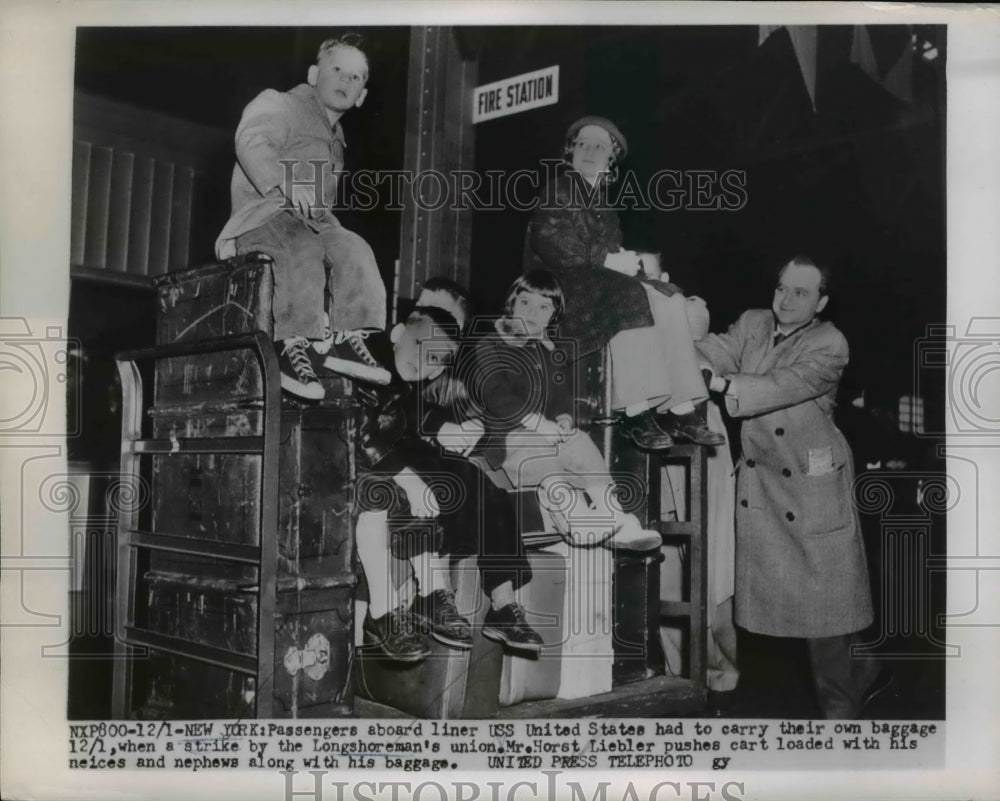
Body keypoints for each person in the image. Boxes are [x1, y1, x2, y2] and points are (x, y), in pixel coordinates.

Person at [695, 256, 891, 718]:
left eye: (801, 293)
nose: (786, 299)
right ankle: (865, 670)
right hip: (764, 484)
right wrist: (693, 360)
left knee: (826, 607)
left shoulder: (830, 342)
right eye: (782, 288)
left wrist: (720, 382)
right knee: (804, 603)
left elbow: (785, 385)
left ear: (820, 301)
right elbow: (715, 348)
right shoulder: (753, 323)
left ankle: (840, 716)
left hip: (811, 480)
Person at [353, 306, 544, 660]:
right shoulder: (362, 359)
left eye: (439, 361)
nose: (429, 366)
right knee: (427, 486)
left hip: (399, 450)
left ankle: (503, 604)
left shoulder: (405, 378)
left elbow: (416, 410)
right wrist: (407, 476)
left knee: (478, 482)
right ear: (398, 334)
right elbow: (359, 430)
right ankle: (429, 594)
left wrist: (448, 428)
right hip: (366, 458)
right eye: (425, 349)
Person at [523, 115, 723, 451]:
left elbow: (609, 253)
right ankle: (635, 410)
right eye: (582, 144)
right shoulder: (560, 187)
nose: (589, 151)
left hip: (591, 283)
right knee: (630, 294)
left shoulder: (604, 203)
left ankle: (681, 407)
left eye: (599, 146)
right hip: (556, 289)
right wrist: (606, 259)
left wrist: (642, 272)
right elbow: (548, 238)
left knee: (669, 298)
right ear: (570, 153)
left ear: (611, 159)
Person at [215, 33, 387, 401]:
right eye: (337, 69)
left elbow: (321, 209)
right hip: (264, 216)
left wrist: (335, 236)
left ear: (362, 96)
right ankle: (290, 346)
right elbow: (252, 139)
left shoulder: (336, 141)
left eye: (356, 77)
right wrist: (285, 180)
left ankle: (346, 336)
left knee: (354, 248)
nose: (346, 80)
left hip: (310, 221)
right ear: (313, 74)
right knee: (302, 246)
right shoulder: (280, 104)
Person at [465, 270, 662, 551]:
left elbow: (560, 395)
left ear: (553, 316)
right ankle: (576, 515)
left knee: (579, 440)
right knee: (538, 450)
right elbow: (496, 394)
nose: (533, 311)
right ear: (511, 304)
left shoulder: (549, 351)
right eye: (525, 303)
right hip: (508, 438)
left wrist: (563, 417)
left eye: (544, 307)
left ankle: (614, 513)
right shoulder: (490, 344)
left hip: (546, 431)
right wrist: (536, 423)